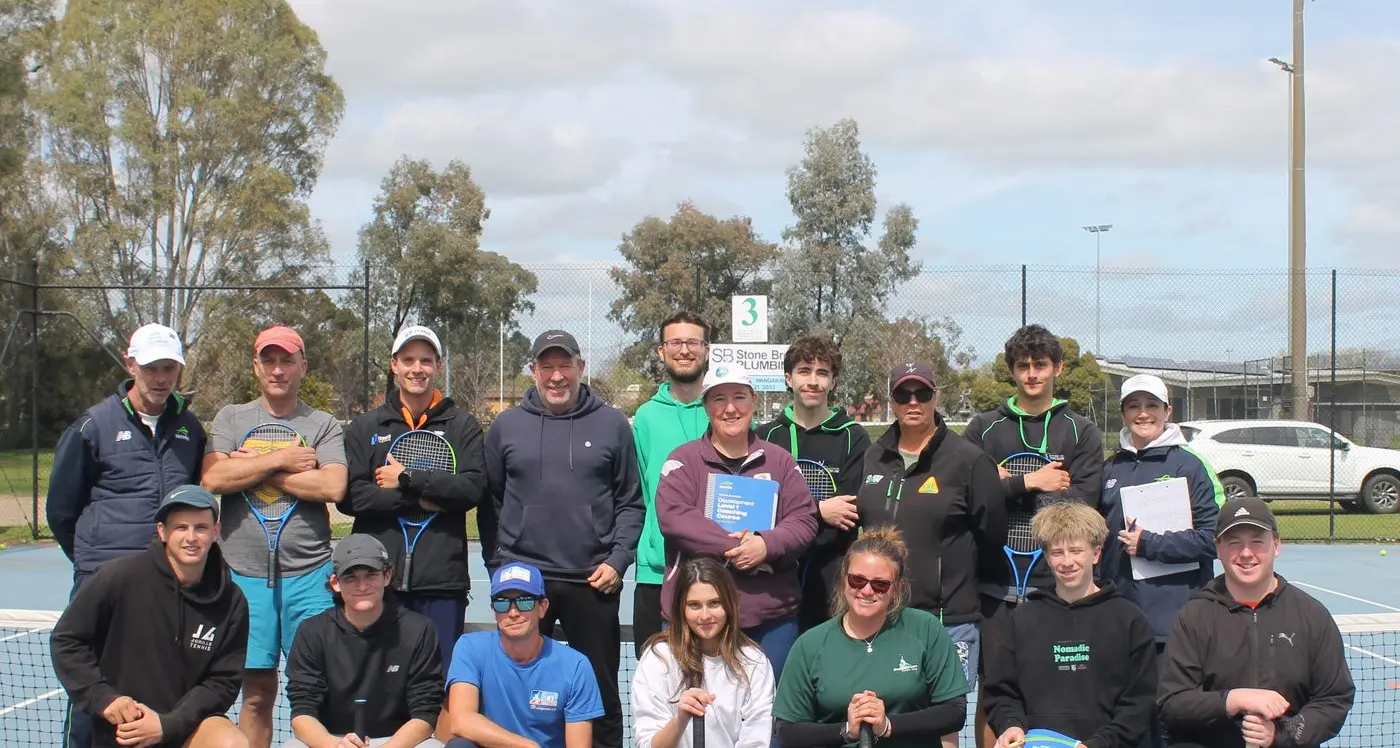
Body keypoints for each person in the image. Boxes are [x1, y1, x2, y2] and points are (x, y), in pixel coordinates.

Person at [46, 323, 208, 748]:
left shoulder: (190, 429)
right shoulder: (92, 426)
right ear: (130, 364)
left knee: (159, 690)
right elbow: (61, 511)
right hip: (104, 579)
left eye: (169, 368)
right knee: (93, 692)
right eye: (152, 367)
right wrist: (94, 559)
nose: (161, 378)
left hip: (167, 585)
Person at [483, 329, 643, 748]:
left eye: (565, 365)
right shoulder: (506, 426)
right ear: (533, 370)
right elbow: (490, 503)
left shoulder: (612, 424)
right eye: (547, 366)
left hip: (592, 581)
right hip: (524, 583)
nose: (557, 376)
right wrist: (499, 567)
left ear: (580, 367)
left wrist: (617, 561)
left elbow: (630, 503)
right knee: (519, 689)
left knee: (600, 693)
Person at [201, 325, 348, 748]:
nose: (278, 369)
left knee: (319, 692)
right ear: (256, 367)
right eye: (269, 360)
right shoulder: (232, 418)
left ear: (303, 366)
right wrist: (283, 459)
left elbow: (333, 487)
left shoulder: (323, 424)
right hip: (244, 576)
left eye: (287, 360)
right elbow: (213, 478)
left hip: (310, 576)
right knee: (256, 695)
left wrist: (252, 468)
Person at [963, 324, 1104, 748]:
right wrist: (1033, 481)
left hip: (1056, 586)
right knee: (994, 688)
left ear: (1057, 368)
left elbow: (1081, 505)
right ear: (1011, 370)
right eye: (1023, 366)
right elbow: (971, 498)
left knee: (1057, 686)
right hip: (993, 584)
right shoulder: (983, 428)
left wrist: (1005, 484)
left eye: (1040, 365)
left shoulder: (1081, 430)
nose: (1032, 374)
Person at [854, 361, 1004, 748]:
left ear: (936, 397)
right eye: (903, 394)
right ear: (892, 400)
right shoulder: (873, 457)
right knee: (882, 713)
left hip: (947, 620)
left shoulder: (968, 460)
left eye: (922, 393)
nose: (913, 402)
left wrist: (952, 585)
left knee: (944, 721)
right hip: (882, 615)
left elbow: (991, 537)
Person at [50, 485, 249, 748]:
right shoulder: (117, 578)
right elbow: (67, 640)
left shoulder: (231, 600)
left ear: (216, 531)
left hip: (185, 727)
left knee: (231, 743)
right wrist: (104, 698)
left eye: (201, 527)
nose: (191, 537)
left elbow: (223, 681)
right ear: (162, 531)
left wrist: (168, 725)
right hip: (123, 731)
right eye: (181, 527)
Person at [655, 362, 819, 680]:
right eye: (719, 399)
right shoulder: (682, 460)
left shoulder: (780, 461)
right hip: (696, 618)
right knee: (695, 706)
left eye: (739, 397)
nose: (730, 408)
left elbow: (803, 519)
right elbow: (674, 517)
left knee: (769, 708)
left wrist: (765, 545)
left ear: (753, 401)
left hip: (770, 617)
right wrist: (739, 547)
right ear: (705, 406)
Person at [342, 325, 487, 675]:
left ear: (438, 365)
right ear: (394, 365)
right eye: (408, 360)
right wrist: (423, 499)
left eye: (425, 360)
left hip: (442, 584)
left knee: (439, 683)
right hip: (376, 582)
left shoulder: (462, 426)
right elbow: (351, 497)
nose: (416, 368)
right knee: (375, 682)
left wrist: (406, 479)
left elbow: (471, 489)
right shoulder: (366, 426)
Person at [1157, 498, 1354, 748]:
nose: (1246, 553)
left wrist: (1280, 734)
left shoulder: (1312, 615)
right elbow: (1172, 704)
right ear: (1218, 548)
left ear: (1276, 545)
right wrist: (1232, 700)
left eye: (1257, 542)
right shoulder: (1193, 617)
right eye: (1234, 543)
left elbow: (1334, 698)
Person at [1099, 374, 1224, 748]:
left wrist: (1150, 544)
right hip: (1121, 622)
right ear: (1123, 413)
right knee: (1129, 723)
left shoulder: (1191, 466)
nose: (1143, 413)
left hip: (1176, 625)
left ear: (1168, 411)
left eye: (1152, 405)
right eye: (1134, 406)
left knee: (1174, 724)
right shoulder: (1109, 469)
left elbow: (1213, 539)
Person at [773, 526, 969, 748]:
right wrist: (847, 730)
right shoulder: (809, 644)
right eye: (857, 580)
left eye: (880, 584)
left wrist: (888, 725)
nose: (866, 591)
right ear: (844, 579)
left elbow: (954, 711)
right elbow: (788, 732)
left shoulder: (926, 629)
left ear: (897, 588)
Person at [983, 501, 1157, 748]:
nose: (1067, 562)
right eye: (1057, 552)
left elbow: (1139, 703)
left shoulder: (1130, 620)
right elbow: (1001, 693)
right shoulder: (1021, 620)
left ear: (1096, 554)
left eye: (1076, 551)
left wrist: (1099, 744)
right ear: (1047, 557)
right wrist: (1011, 724)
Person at [757, 335, 872, 633]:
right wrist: (819, 511)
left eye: (822, 373)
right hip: (771, 571)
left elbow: (845, 511)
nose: (813, 381)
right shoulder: (764, 436)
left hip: (830, 573)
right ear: (789, 378)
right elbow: (759, 508)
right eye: (804, 371)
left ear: (833, 382)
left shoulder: (853, 436)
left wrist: (789, 515)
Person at [284, 534, 445, 748]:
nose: (362, 586)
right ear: (335, 583)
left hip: (396, 742)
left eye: (371, 575)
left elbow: (425, 711)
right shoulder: (312, 631)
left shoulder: (419, 629)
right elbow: (302, 710)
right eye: (351, 578)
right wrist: (334, 745)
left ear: (387, 576)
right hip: (332, 740)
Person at [443, 561, 604, 748]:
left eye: (524, 602)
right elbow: (461, 720)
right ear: (493, 611)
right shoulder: (470, 647)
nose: (513, 613)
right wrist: (525, 746)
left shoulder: (575, 666)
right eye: (502, 603)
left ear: (542, 607)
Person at [632, 557, 776, 748]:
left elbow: (757, 739)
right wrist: (680, 720)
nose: (705, 615)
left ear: (729, 604)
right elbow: (648, 744)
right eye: (694, 605)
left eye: (714, 603)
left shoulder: (753, 661)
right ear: (681, 608)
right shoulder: (659, 658)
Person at [632, 312, 712, 655]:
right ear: (661, 351)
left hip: (717, 569)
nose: (684, 350)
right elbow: (639, 492)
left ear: (707, 350)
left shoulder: (725, 412)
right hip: (657, 572)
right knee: (657, 676)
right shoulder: (645, 417)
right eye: (675, 342)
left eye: (693, 342)